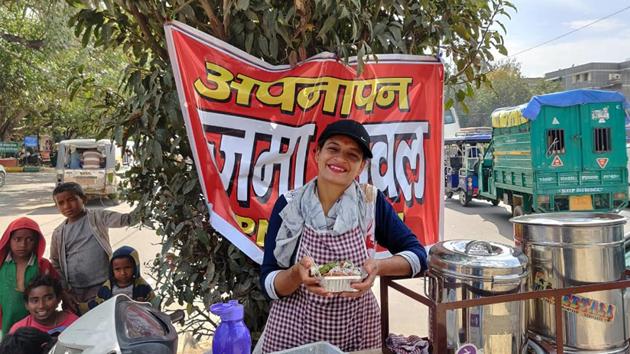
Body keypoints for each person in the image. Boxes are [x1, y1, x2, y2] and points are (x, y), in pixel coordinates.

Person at [258, 120, 428, 353]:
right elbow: (269, 283)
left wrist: (378, 266)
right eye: (333, 149)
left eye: (352, 155)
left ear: (361, 167)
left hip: (358, 331)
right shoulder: (289, 206)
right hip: (294, 332)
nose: (340, 159)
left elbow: (418, 257)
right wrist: (296, 275)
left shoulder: (371, 203)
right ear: (316, 154)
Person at [50, 182, 137, 315]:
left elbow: (126, 219)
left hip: (104, 285)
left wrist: (146, 205)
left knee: (107, 320)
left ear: (83, 199)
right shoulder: (58, 233)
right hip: (76, 292)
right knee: (82, 326)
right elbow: (55, 262)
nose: (67, 206)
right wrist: (65, 291)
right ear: (57, 207)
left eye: (72, 200)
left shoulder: (98, 217)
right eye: (61, 203)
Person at [0, 217, 58, 337]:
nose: (23, 244)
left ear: (36, 242)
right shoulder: (1, 265)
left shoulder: (43, 265)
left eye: (29, 240)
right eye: (17, 239)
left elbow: (56, 290)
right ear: (8, 240)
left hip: (38, 327)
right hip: (5, 326)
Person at [87, 245, 155, 310]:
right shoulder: (105, 288)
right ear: (112, 270)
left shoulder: (143, 287)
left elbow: (154, 305)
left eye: (127, 267)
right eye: (117, 269)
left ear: (135, 267)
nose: (123, 273)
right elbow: (97, 306)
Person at [9, 274, 78, 336]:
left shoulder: (74, 323)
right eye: (35, 301)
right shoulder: (18, 331)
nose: (41, 306)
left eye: (48, 298)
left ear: (58, 300)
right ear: (27, 305)